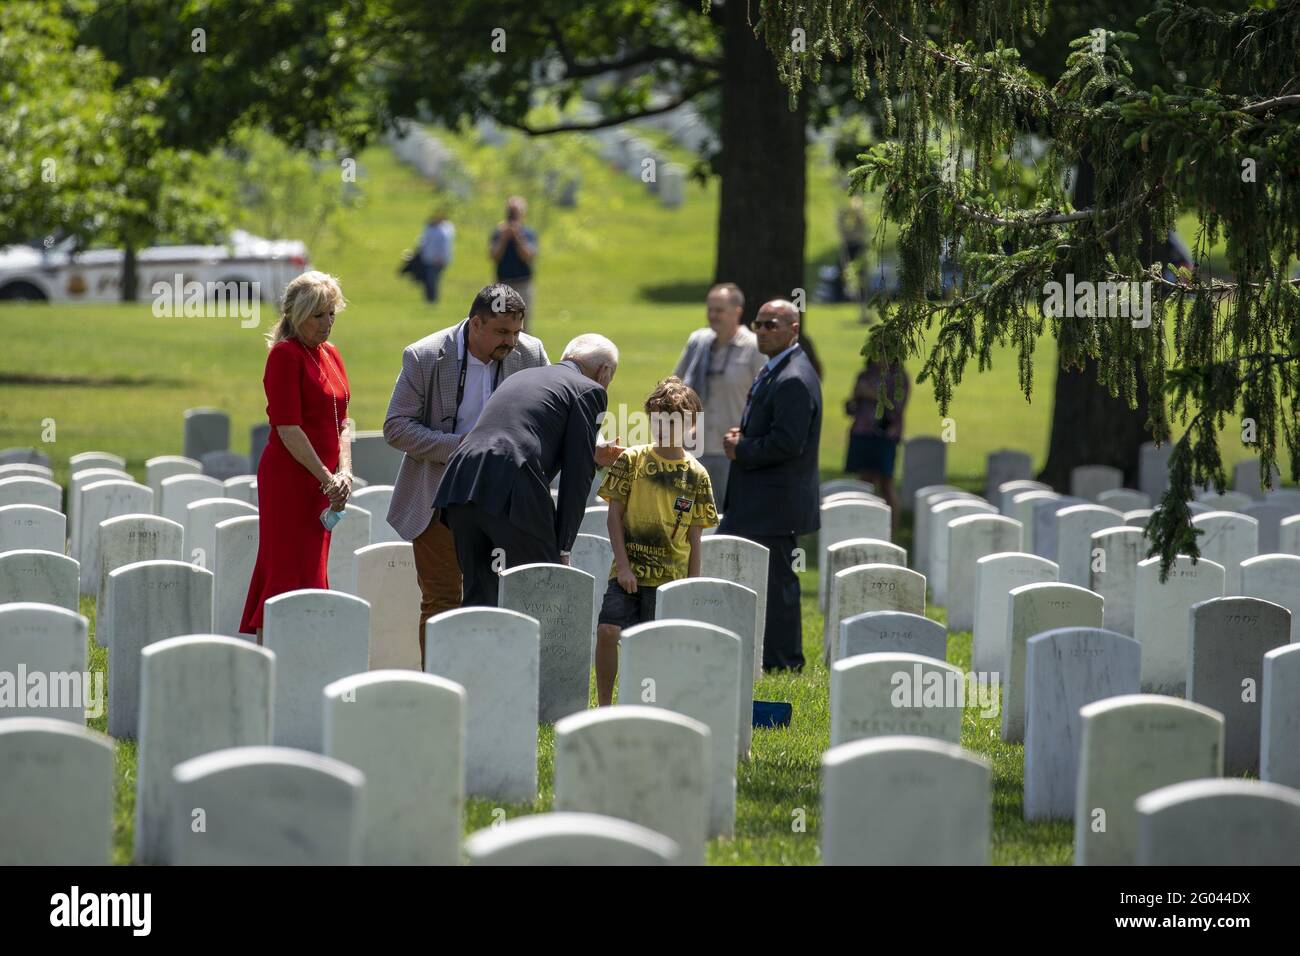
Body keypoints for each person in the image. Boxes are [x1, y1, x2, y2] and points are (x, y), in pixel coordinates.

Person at [383, 283, 549, 664]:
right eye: (502, 332)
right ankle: (441, 696)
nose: (512, 341)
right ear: (476, 323)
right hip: (436, 500)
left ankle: (490, 691)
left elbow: (553, 413)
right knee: (441, 600)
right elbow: (396, 427)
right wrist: (462, 447)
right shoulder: (424, 356)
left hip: (503, 502)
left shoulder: (531, 353)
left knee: (496, 601)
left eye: (516, 332)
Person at [433, 334, 618, 607]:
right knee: (543, 591)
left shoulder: (522, 376)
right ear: (604, 371)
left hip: (461, 480)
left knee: (479, 596)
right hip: (511, 483)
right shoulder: (590, 390)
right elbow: (576, 475)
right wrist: (563, 546)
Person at [240, 271, 353, 641]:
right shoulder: (285, 356)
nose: (327, 323)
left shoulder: (331, 354)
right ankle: (273, 651)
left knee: (312, 567)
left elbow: (343, 421)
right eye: (318, 315)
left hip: (324, 482)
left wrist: (344, 474)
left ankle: (306, 649)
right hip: (292, 480)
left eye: (332, 313)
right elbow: (289, 429)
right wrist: (326, 477)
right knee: (286, 568)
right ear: (296, 315)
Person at [595, 377, 718, 705]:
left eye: (674, 421)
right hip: (628, 572)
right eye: (657, 419)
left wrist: (692, 586)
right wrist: (622, 566)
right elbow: (613, 517)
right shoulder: (631, 461)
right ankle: (604, 707)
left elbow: (695, 536)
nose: (663, 427)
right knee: (608, 631)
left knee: (653, 647)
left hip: (669, 577)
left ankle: (648, 706)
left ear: (691, 426)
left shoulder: (697, 475)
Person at [719, 299, 822, 672]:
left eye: (772, 325)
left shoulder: (793, 377)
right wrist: (744, 435)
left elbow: (788, 443)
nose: (762, 331)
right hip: (756, 503)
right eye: (758, 324)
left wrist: (740, 447)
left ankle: (785, 663)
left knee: (777, 586)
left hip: (774, 506)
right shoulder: (776, 368)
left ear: (793, 329)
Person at [672, 282, 765, 505]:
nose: (713, 316)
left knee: (727, 515)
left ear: (737, 312)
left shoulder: (753, 347)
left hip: (731, 452)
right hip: (694, 449)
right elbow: (674, 387)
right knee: (686, 515)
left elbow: (764, 400)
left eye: (719, 310)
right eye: (710, 309)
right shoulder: (698, 342)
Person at [845, 356, 910, 529]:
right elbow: (852, 409)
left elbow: (897, 409)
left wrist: (874, 396)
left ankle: (892, 529)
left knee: (886, 483)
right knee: (863, 481)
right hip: (862, 432)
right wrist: (855, 398)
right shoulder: (865, 375)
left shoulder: (899, 378)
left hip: (885, 435)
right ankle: (862, 524)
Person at [489, 196, 538, 330]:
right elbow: (493, 256)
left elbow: (528, 256)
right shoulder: (498, 233)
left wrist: (518, 237)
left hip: (522, 284)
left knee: (522, 324)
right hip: (502, 285)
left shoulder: (528, 233)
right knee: (500, 323)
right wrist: (503, 239)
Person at [417, 213, 455, 303]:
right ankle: (429, 298)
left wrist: (441, 259)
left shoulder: (443, 232)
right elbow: (423, 242)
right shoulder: (429, 229)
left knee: (432, 280)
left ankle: (432, 299)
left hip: (437, 261)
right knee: (428, 280)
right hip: (427, 259)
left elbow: (444, 247)